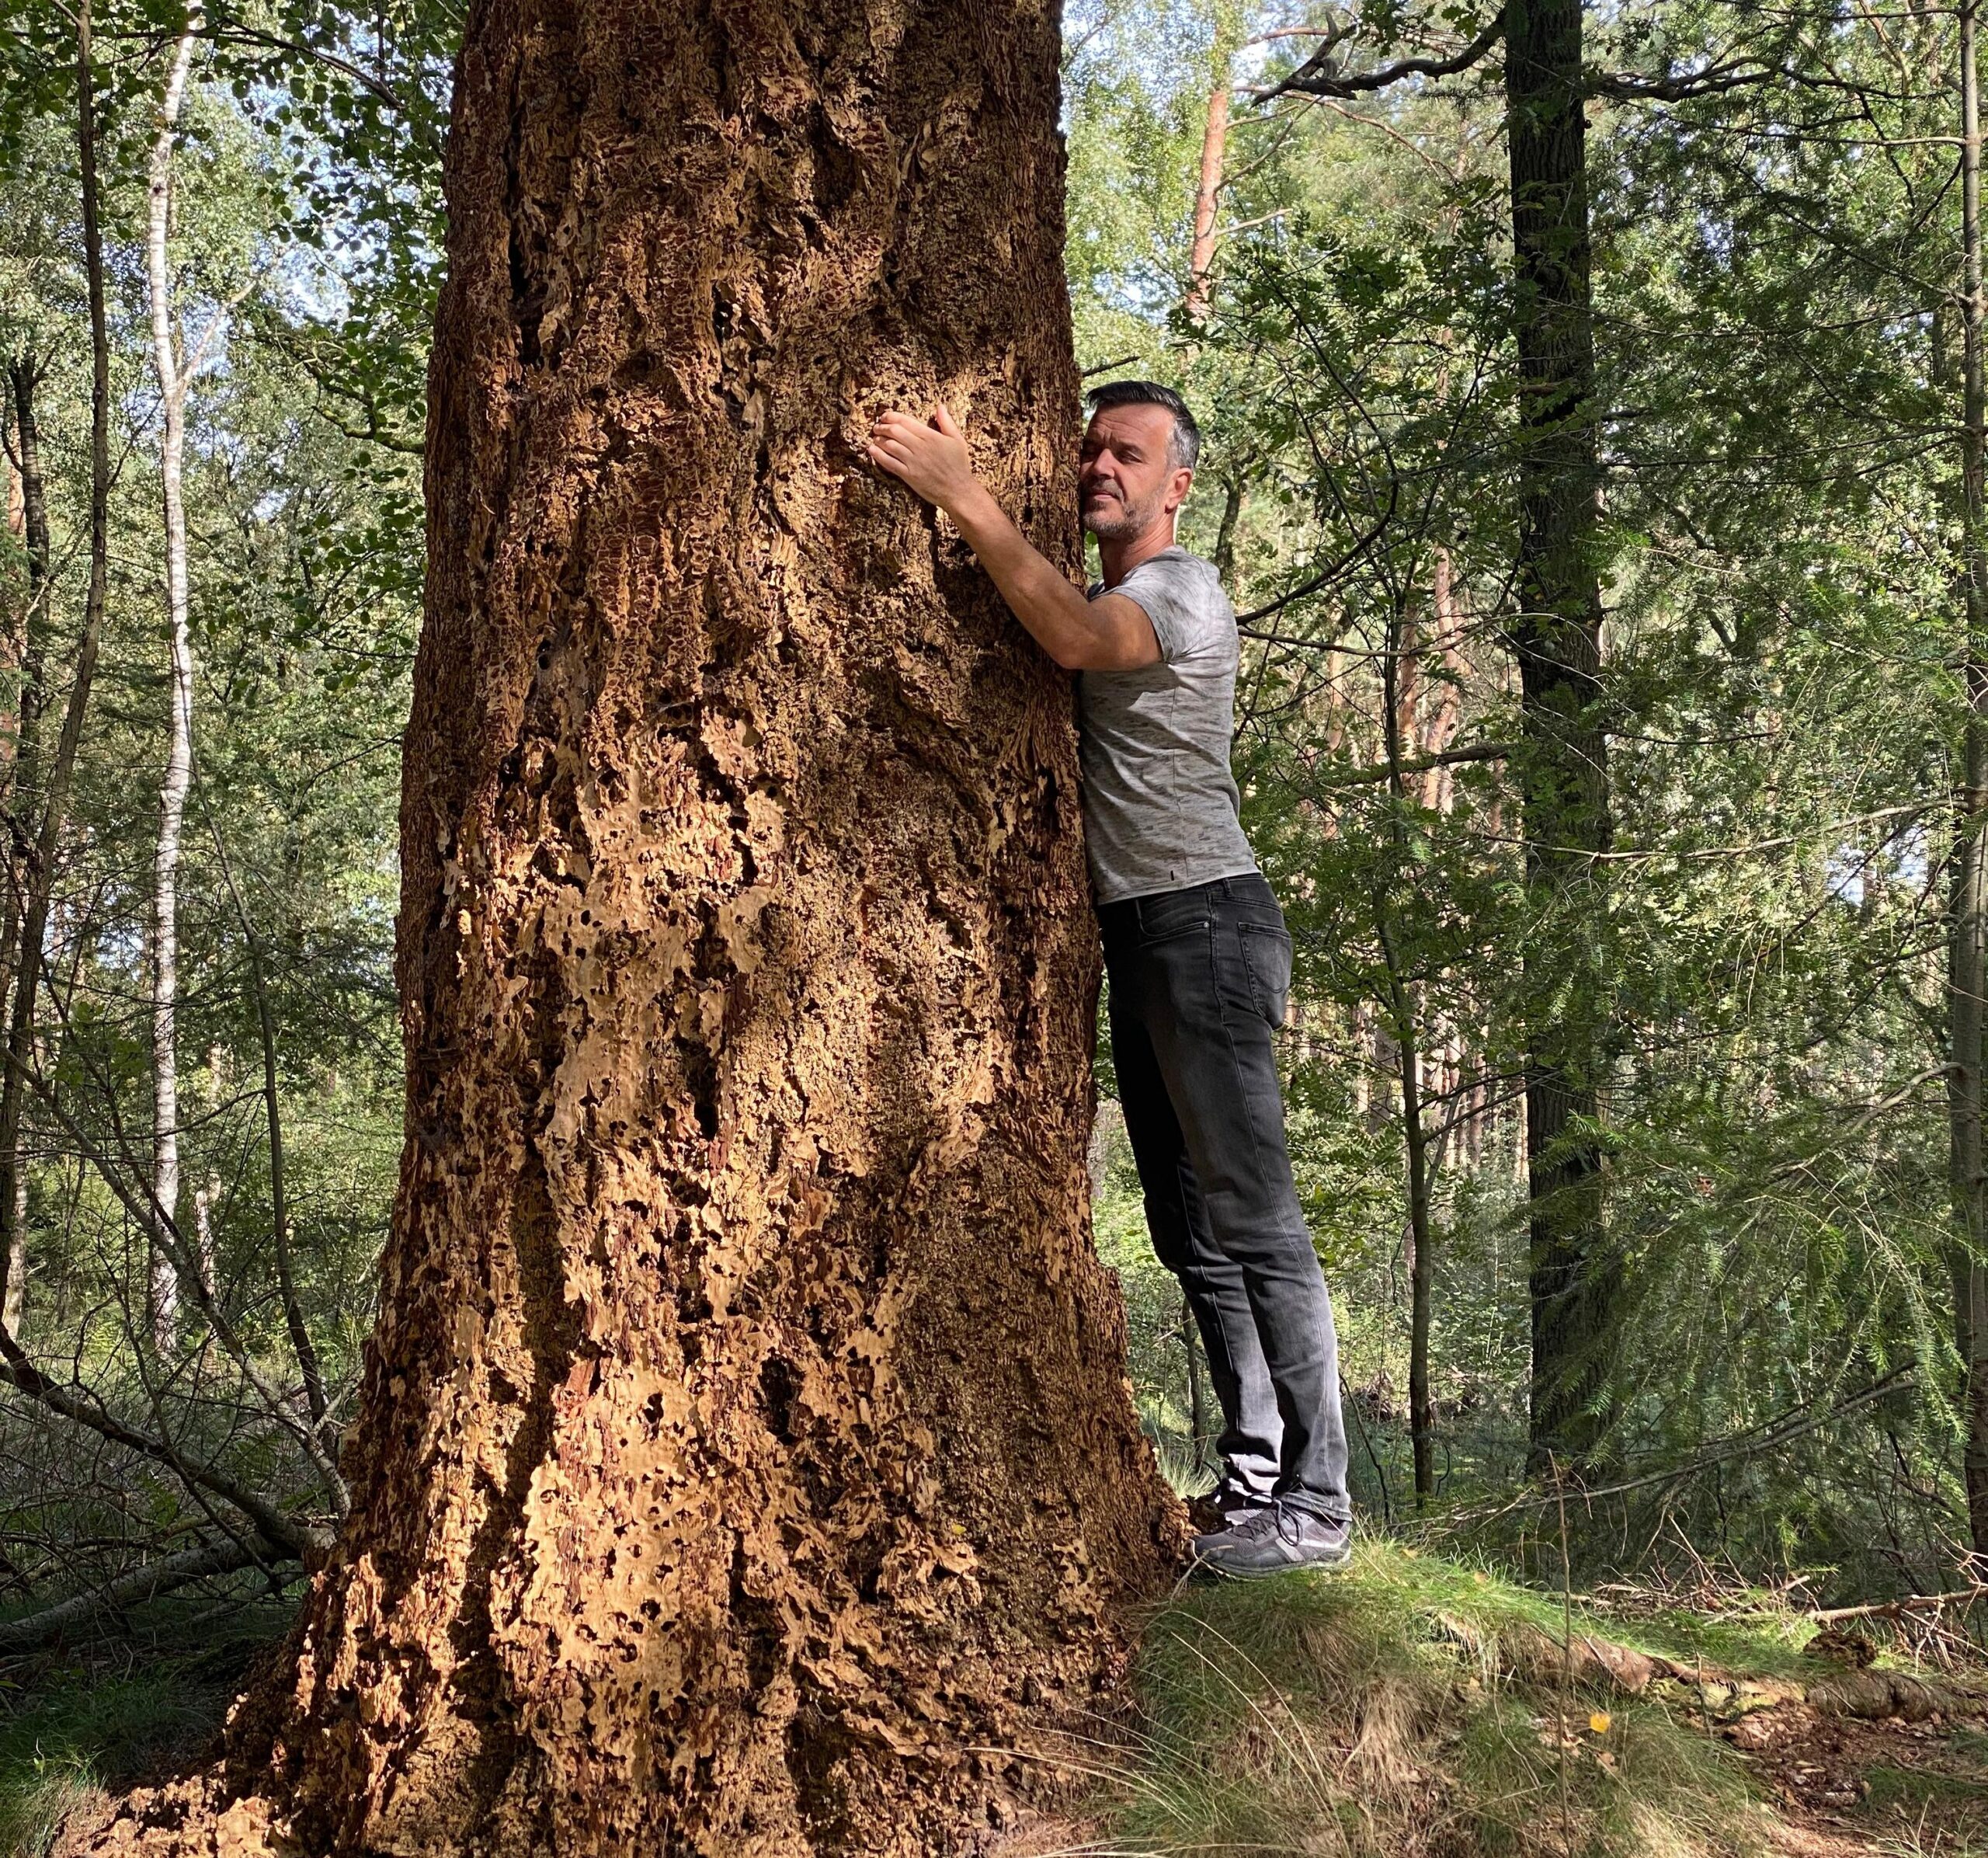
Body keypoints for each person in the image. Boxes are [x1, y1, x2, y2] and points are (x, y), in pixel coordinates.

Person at [866, 381, 1352, 1577]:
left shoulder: (1173, 590)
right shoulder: (1103, 581)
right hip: (1140, 935)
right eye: (1090, 450)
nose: (1099, 469)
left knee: (1255, 1219)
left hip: (1204, 927)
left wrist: (963, 495)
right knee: (1191, 1229)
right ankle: (1253, 1481)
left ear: (1177, 484)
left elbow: (1082, 645)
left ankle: (1319, 1508)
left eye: (1127, 455)